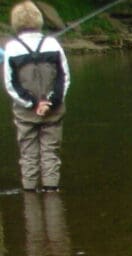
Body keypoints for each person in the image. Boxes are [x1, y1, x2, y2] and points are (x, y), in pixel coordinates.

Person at [4, 1, 69, 192]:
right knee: (51, 152)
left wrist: (32, 103)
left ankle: (29, 195)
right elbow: (64, 77)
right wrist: (51, 101)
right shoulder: (53, 43)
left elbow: (11, 84)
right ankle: (51, 191)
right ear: (39, 20)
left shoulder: (12, 48)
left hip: (25, 112)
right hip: (53, 110)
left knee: (28, 154)